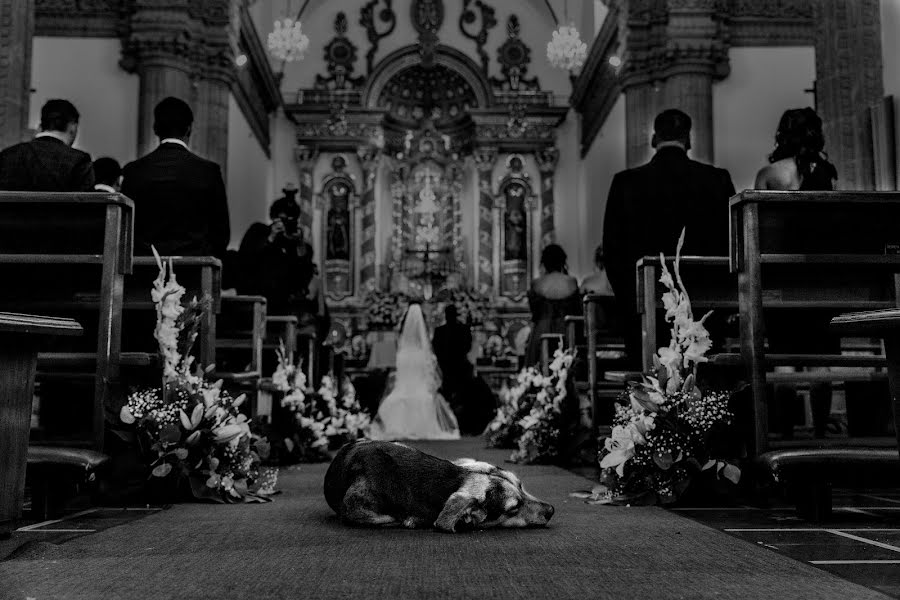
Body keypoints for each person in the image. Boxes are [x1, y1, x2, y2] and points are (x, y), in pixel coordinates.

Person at [603, 108, 736, 368]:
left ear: (654, 139)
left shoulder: (626, 183)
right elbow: (731, 243)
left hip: (645, 307)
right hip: (706, 303)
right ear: (688, 139)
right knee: (704, 378)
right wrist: (723, 301)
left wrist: (632, 302)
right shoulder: (717, 180)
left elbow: (613, 252)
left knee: (651, 380)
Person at [754, 107, 839, 438]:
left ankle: (785, 437)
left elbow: (756, 230)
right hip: (820, 280)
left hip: (781, 279)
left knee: (784, 362)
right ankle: (820, 436)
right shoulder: (827, 173)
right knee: (822, 362)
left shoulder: (770, 174)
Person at [121, 97, 230, 258]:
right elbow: (221, 234)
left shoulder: (133, 171)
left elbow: (124, 228)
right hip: (194, 268)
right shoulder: (208, 171)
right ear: (189, 129)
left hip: (143, 268)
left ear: (155, 128)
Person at [369, 303, 461, 441]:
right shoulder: (423, 353)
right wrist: (432, 388)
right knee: (425, 398)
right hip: (420, 390)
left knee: (394, 400)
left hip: (402, 390)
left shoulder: (402, 352)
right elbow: (431, 375)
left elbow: (396, 375)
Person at [0, 99, 94, 192]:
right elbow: (88, 205)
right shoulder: (79, 161)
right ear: (72, 127)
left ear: (42, 125)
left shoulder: (7, 155)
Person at [524, 244, 582, 368]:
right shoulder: (571, 281)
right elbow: (577, 310)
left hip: (541, 330)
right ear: (562, 261)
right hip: (566, 332)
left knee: (538, 368)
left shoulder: (537, 283)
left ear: (544, 262)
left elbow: (535, 313)